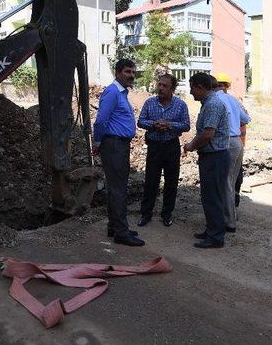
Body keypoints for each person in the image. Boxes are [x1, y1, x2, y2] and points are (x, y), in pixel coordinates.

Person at [92, 59, 145, 246]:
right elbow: (100, 121)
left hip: (119, 145)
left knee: (117, 188)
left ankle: (115, 226)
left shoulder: (121, 93)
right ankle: (121, 232)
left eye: (133, 72)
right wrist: (97, 142)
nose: (131, 75)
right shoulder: (113, 92)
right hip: (113, 145)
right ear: (117, 72)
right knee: (118, 189)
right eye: (127, 71)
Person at [183, 72, 230, 249]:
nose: (191, 92)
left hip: (215, 157)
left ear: (200, 87)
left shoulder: (213, 105)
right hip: (212, 156)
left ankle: (216, 237)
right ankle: (212, 230)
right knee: (209, 195)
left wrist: (191, 146)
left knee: (213, 197)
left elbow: (208, 134)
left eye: (192, 88)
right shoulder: (208, 103)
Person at [137, 73, 190, 227]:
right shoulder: (149, 103)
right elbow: (141, 121)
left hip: (171, 146)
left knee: (171, 182)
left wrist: (169, 125)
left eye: (164, 86)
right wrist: (154, 124)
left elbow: (186, 125)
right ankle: (145, 214)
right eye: (159, 84)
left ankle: (167, 214)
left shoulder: (180, 105)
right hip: (154, 146)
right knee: (151, 181)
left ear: (172, 89)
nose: (160, 88)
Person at [214, 73, 250, 232]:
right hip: (237, 143)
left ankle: (228, 222)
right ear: (227, 86)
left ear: (215, 85)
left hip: (226, 142)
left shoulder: (215, 100)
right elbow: (246, 119)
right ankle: (231, 216)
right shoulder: (234, 100)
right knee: (231, 182)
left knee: (225, 184)